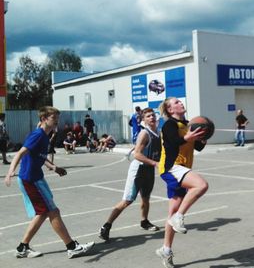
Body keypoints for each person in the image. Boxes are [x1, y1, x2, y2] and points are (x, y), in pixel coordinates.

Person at [4, 106, 94, 259]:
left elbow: (38, 155)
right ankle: (72, 247)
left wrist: (54, 167)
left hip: (36, 178)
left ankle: (22, 247)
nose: (57, 121)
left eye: (57, 118)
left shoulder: (45, 135)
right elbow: (20, 153)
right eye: (54, 118)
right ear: (44, 119)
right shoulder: (38, 135)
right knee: (52, 211)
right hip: (30, 179)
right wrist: (10, 172)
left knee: (43, 212)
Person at [155, 97, 208, 268]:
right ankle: (179, 218)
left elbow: (197, 147)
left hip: (181, 169)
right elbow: (173, 142)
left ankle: (166, 249)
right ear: (170, 110)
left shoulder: (188, 124)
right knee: (201, 185)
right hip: (171, 167)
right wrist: (189, 136)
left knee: (173, 210)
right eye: (176, 103)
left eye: (180, 101)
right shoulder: (170, 124)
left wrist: (203, 138)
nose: (180, 103)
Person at [99, 108, 162, 241]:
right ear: (143, 120)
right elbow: (137, 154)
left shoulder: (158, 132)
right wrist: (155, 163)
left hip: (149, 169)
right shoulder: (144, 134)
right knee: (127, 200)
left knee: (146, 197)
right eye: (148, 116)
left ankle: (144, 221)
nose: (151, 117)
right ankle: (106, 226)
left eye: (153, 115)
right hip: (138, 169)